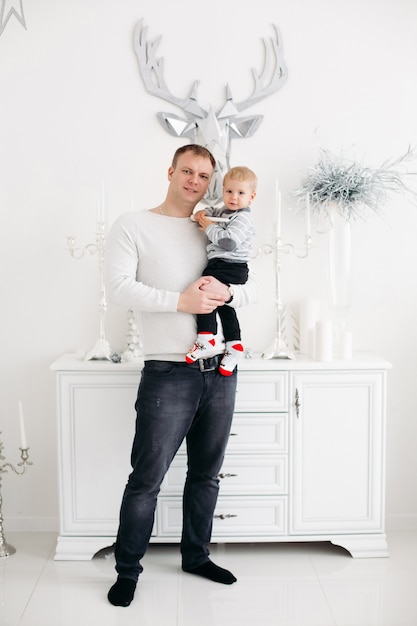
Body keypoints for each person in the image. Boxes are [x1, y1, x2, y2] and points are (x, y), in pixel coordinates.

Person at [104, 144, 260, 607]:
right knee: (146, 479)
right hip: (170, 369)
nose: (194, 180)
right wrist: (181, 302)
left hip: (221, 370)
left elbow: (251, 288)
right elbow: (118, 288)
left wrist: (227, 295)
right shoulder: (134, 225)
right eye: (186, 171)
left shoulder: (218, 225)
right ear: (171, 171)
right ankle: (127, 571)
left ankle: (196, 556)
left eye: (203, 175)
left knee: (207, 475)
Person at [186, 166, 257, 375]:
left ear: (251, 197)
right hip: (223, 264)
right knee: (225, 306)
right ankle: (234, 345)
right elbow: (212, 213)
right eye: (229, 191)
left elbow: (229, 242)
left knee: (205, 293)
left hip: (231, 265)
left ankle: (206, 336)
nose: (233, 197)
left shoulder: (242, 217)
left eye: (241, 193)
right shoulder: (225, 210)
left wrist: (208, 226)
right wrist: (203, 214)